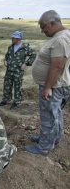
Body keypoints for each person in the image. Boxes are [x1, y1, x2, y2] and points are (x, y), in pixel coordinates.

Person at [25, 10, 70, 155]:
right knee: (54, 113)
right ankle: (53, 138)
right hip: (55, 85)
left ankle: (44, 147)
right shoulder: (61, 36)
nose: (42, 30)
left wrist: (47, 87)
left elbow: (57, 66)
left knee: (48, 116)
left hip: (53, 87)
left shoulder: (60, 40)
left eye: (44, 27)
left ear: (52, 23)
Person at [0, 31, 36, 110]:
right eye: (12, 37)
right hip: (9, 70)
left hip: (18, 71)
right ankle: (6, 100)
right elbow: (7, 55)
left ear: (19, 39)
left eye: (14, 38)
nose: (12, 39)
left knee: (17, 86)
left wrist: (26, 63)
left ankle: (16, 102)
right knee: (7, 85)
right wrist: (6, 61)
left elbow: (33, 54)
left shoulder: (25, 48)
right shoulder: (10, 47)